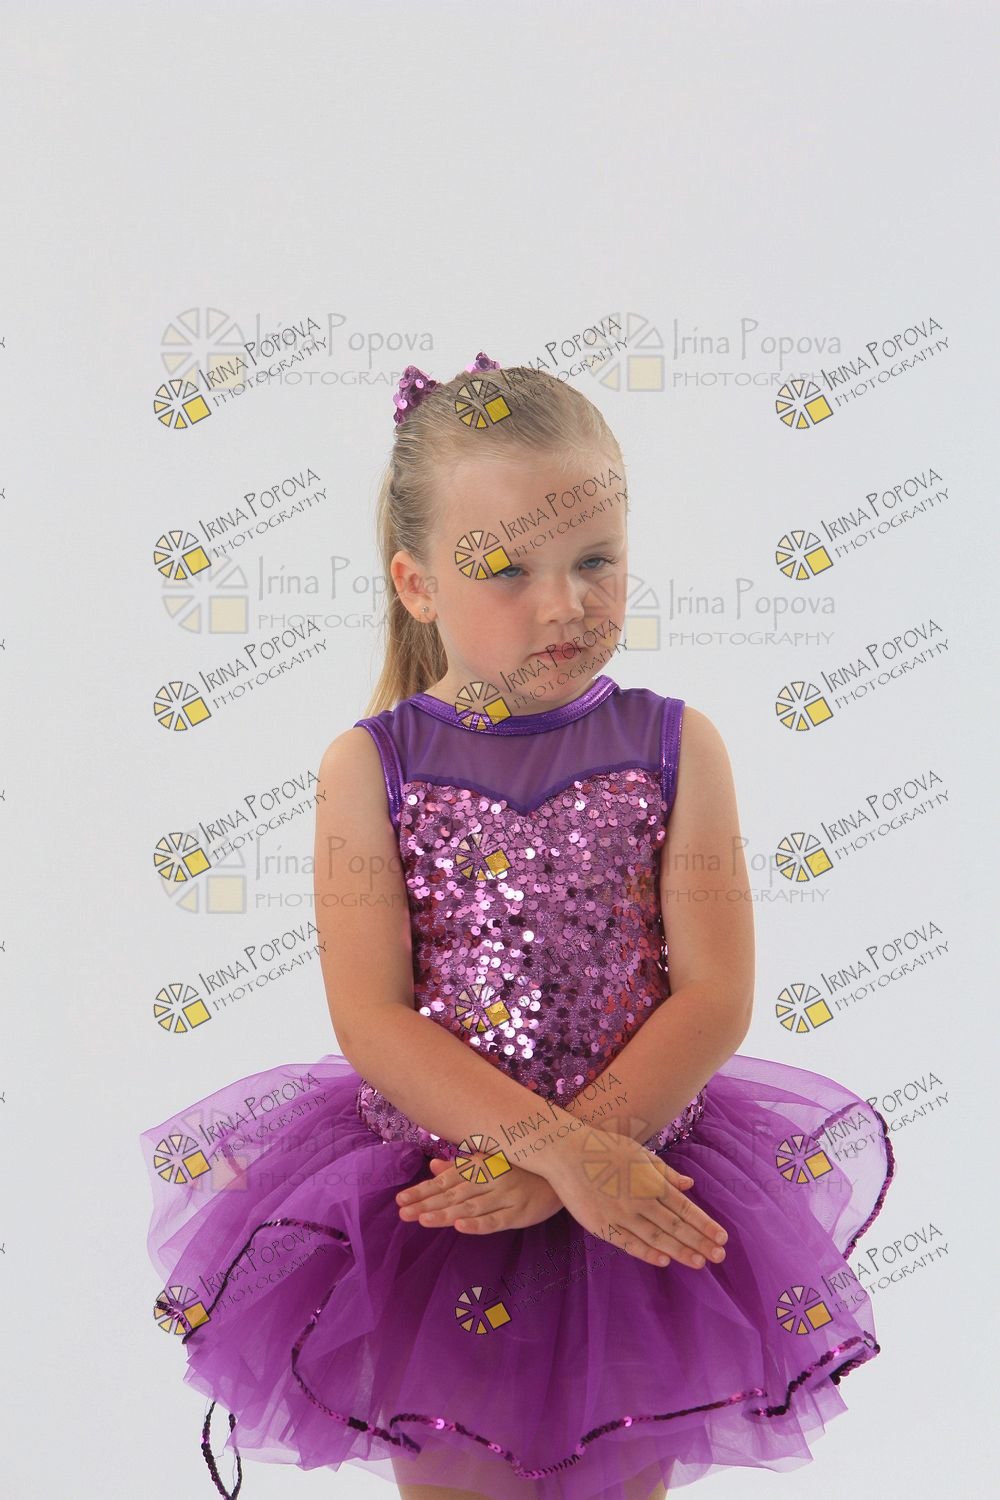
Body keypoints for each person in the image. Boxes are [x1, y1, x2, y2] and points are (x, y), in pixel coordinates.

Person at [140, 354, 895, 1500]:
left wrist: (579, 1166)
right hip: (446, 1199)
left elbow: (714, 994)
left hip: (638, 1178)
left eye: (596, 560)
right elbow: (372, 1017)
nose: (564, 603)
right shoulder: (370, 767)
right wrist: (551, 1156)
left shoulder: (676, 745)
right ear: (417, 582)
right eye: (507, 570)